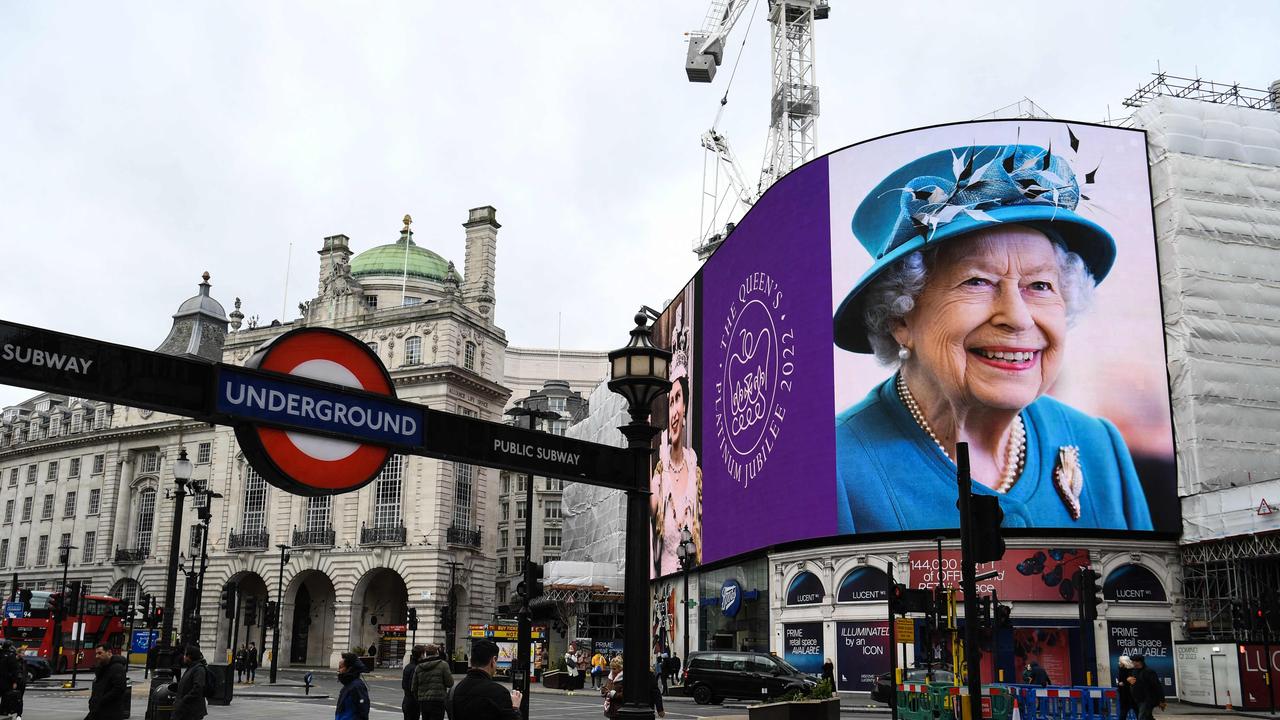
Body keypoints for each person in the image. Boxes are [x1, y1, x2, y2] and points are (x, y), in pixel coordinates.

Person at [833, 142, 1154, 532]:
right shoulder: (836, 470)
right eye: (978, 282)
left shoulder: (1100, 448)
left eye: (1040, 285)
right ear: (900, 317)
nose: (1017, 318)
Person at [650, 297, 702, 577]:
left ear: (685, 407)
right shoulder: (659, 474)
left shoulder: (697, 471)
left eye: (677, 400)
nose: (673, 411)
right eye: (669, 402)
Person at [445, 640, 520, 720]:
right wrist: (515, 708)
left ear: (471, 660)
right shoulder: (499, 692)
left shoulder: (453, 691)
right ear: (493, 660)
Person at [86, 645, 129, 720]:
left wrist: (101, 700)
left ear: (109, 653)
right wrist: (92, 702)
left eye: (100, 653)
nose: (97, 656)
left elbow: (119, 689)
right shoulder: (102, 667)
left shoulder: (117, 668)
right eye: (96, 654)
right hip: (97, 711)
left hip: (110, 712)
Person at [413, 643, 453, 720]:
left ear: (425, 653)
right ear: (436, 652)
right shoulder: (443, 665)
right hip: (438, 700)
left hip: (423, 701)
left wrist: (419, 699)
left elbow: (414, 687)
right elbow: (450, 683)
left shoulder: (419, 667)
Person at [171, 646, 208, 720]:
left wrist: (183, 701)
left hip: (191, 710)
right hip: (185, 709)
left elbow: (198, 688)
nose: (183, 657)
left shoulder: (199, 669)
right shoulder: (192, 667)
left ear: (189, 656)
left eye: (185, 655)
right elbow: (188, 683)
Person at [1127, 655, 1165, 720]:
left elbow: (1157, 686)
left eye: (1133, 661)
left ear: (1139, 662)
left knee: (1142, 717)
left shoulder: (1149, 672)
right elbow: (1134, 682)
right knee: (1148, 717)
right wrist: (1129, 680)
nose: (1132, 663)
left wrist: (1162, 700)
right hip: (1138, 699)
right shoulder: (1134, 671)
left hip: (1147, 699)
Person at [336, 652, 371, 720]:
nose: (338, 670)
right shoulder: (348, 686)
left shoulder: (357, 686)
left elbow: (363, 710)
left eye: (341, 667)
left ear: (349, 669)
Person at [0, 640, 24, 720]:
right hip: (6, 681)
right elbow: (14, 670)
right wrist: (15, 681)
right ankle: (3, 711)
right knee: (5, 696)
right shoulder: (11, 656)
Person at [401, 645, 425, 720]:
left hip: (407, 700)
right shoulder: (416, 668)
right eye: (423, 654)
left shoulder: (408, 666)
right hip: (413, 703)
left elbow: (404, 685)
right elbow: (413, 687)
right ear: (421, 655)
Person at [1115, 655, 1137, 720]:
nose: (1119, 663)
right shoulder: (1121, 670)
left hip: (1131, 694)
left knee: (1136, 710)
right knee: (1124, 711)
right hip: (1123, 694)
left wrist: (1123, 683)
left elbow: (1133, 681)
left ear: (1124, 663)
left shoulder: (1132, 671)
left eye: (1120, 662)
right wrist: (1119, 683)